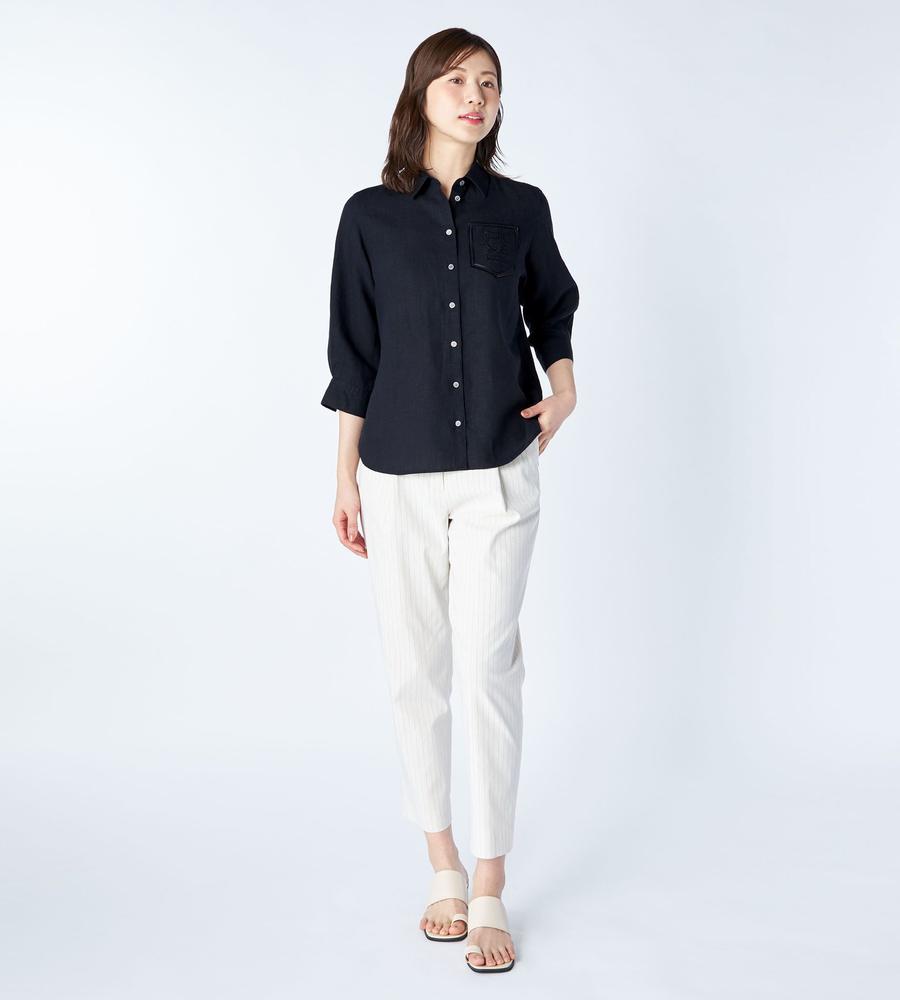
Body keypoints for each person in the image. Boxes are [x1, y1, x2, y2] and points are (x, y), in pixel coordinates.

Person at [320, 28, 579, 974]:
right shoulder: (367, 217)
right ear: (421, 95)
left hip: (499, 469)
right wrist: (343, 477)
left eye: (490, 83)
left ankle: (491, 882)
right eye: (458, 80)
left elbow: (552, 306)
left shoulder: (521, 207)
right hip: (394, 473)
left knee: (488, 668)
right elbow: (354, 354)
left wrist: (565, 384)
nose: (476, 95)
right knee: (414, 672)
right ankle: (441, 866)